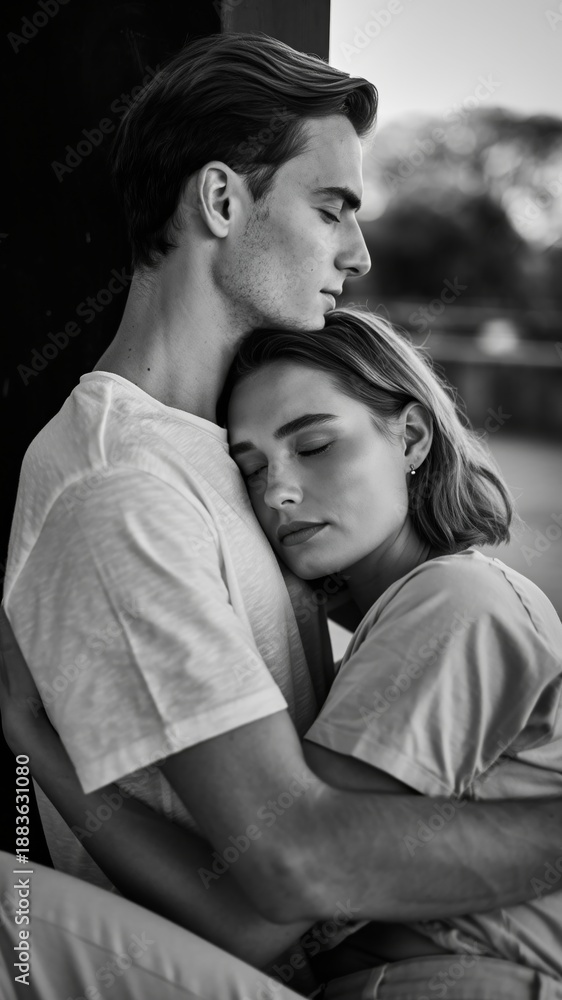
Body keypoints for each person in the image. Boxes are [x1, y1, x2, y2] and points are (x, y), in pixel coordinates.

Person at [2, 30, 562, 1000]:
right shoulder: (121, 489)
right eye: (332, 207)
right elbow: (291, 863)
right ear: (222, 201)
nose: (359, 250)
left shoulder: (221, 453)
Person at [219, 306, 562, 991]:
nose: (278, 491)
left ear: (410, 438)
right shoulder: (404, 609)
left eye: (314, 446)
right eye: (251, 468)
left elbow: (265, 908)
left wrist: (33, 746)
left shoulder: (455, 602)